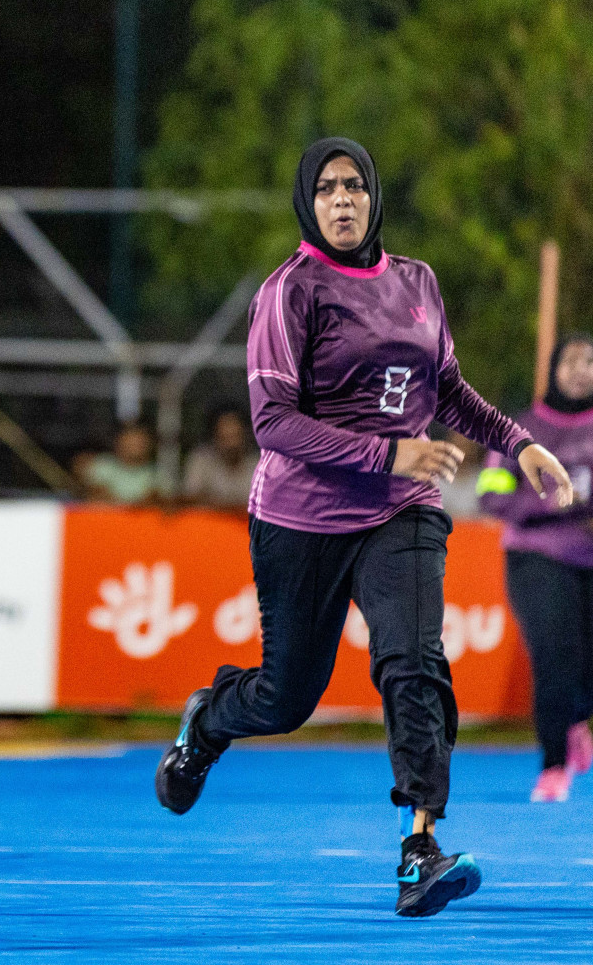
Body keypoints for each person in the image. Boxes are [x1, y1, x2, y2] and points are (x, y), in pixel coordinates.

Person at [152, 138, 574, 918]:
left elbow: (446, 390)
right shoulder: (289, 291)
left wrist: (520, 442)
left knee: (413, 658)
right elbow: (273, 423)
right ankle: (209, 720)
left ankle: (420, 846)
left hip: (401, 510)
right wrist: (390, 450)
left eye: (353, 186)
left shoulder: (417, 282)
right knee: (286, 698)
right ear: (307, 204)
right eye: (325, 189)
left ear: (374, 197)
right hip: (300, 519)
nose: (341, 200)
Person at [478, 334, 593, 802]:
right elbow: (490, 493)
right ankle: (553, 766)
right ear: (553, 367)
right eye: (572, 360)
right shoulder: (519, 429)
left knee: (583, 668)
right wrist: (552, 501)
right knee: (554, 658)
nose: (582, 369)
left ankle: (574, 721)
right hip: (536, 557)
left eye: (591, 361)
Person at [181, 407, 258, 509]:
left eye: (235, 436)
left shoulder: (260, 465)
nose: (231, 444)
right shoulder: (200, 461)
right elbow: (188, 500)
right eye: (225, 437)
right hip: (209, 523)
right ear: (215, 436)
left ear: (246, 435)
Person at [76, 422, 158, 504]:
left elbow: (158, 500)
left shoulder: (156, 472)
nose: (135, 445)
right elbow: (95, 495)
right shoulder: (102, 465)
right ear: (119, 441)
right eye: (130, 439)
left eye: (140, 440)